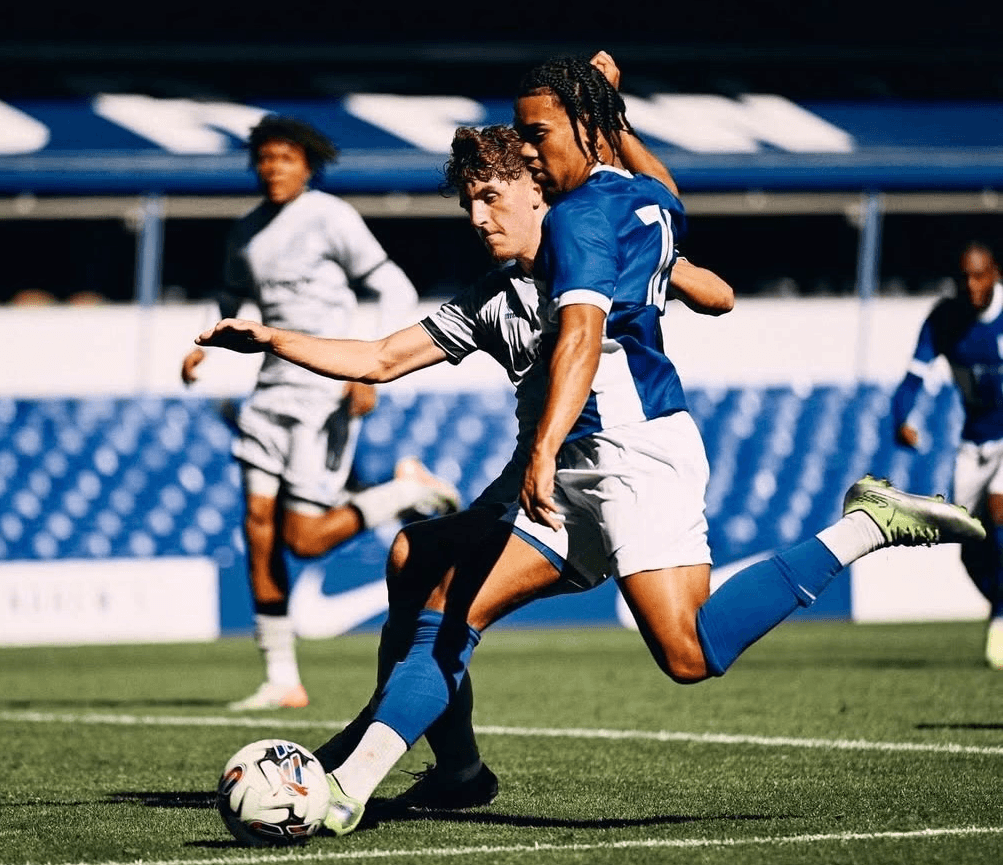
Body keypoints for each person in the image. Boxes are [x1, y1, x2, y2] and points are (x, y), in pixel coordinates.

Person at [198, 120, 735, 808]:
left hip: (604, 474)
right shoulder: (494, 295)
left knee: (450, 606)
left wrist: (664, 256)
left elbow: (716, 292)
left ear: (539, 188)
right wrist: (272, 337)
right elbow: (380, 358)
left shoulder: (606, 252)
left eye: (489, 198)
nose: (478, 219)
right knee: (411, 554)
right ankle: (451, 769)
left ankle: (365, 758)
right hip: (532, 477)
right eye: (468, 205)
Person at [181, 114, 461, 711]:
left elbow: (393, 286)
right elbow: (232, 299)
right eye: (263, 158)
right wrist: (197, 348)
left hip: (323, 392)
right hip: (268, 397)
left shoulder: (331, 217)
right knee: (259, 533)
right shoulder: (248, 232)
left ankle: (402, 491)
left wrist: (368, 364)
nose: (272, 168)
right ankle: (282, 679)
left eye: (284, 158)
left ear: (307, 165)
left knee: (303, 540)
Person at [891, 240, 1003, 669]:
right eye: (964, 278)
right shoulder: (945, 319)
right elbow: (912, 378)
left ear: (995, 274)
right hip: (973, 443)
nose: (971, 285)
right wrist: (900, 419)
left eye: (980, 276)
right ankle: (1000, 605)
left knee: (999, 509)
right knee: (968, 546)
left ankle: (1000, 617)